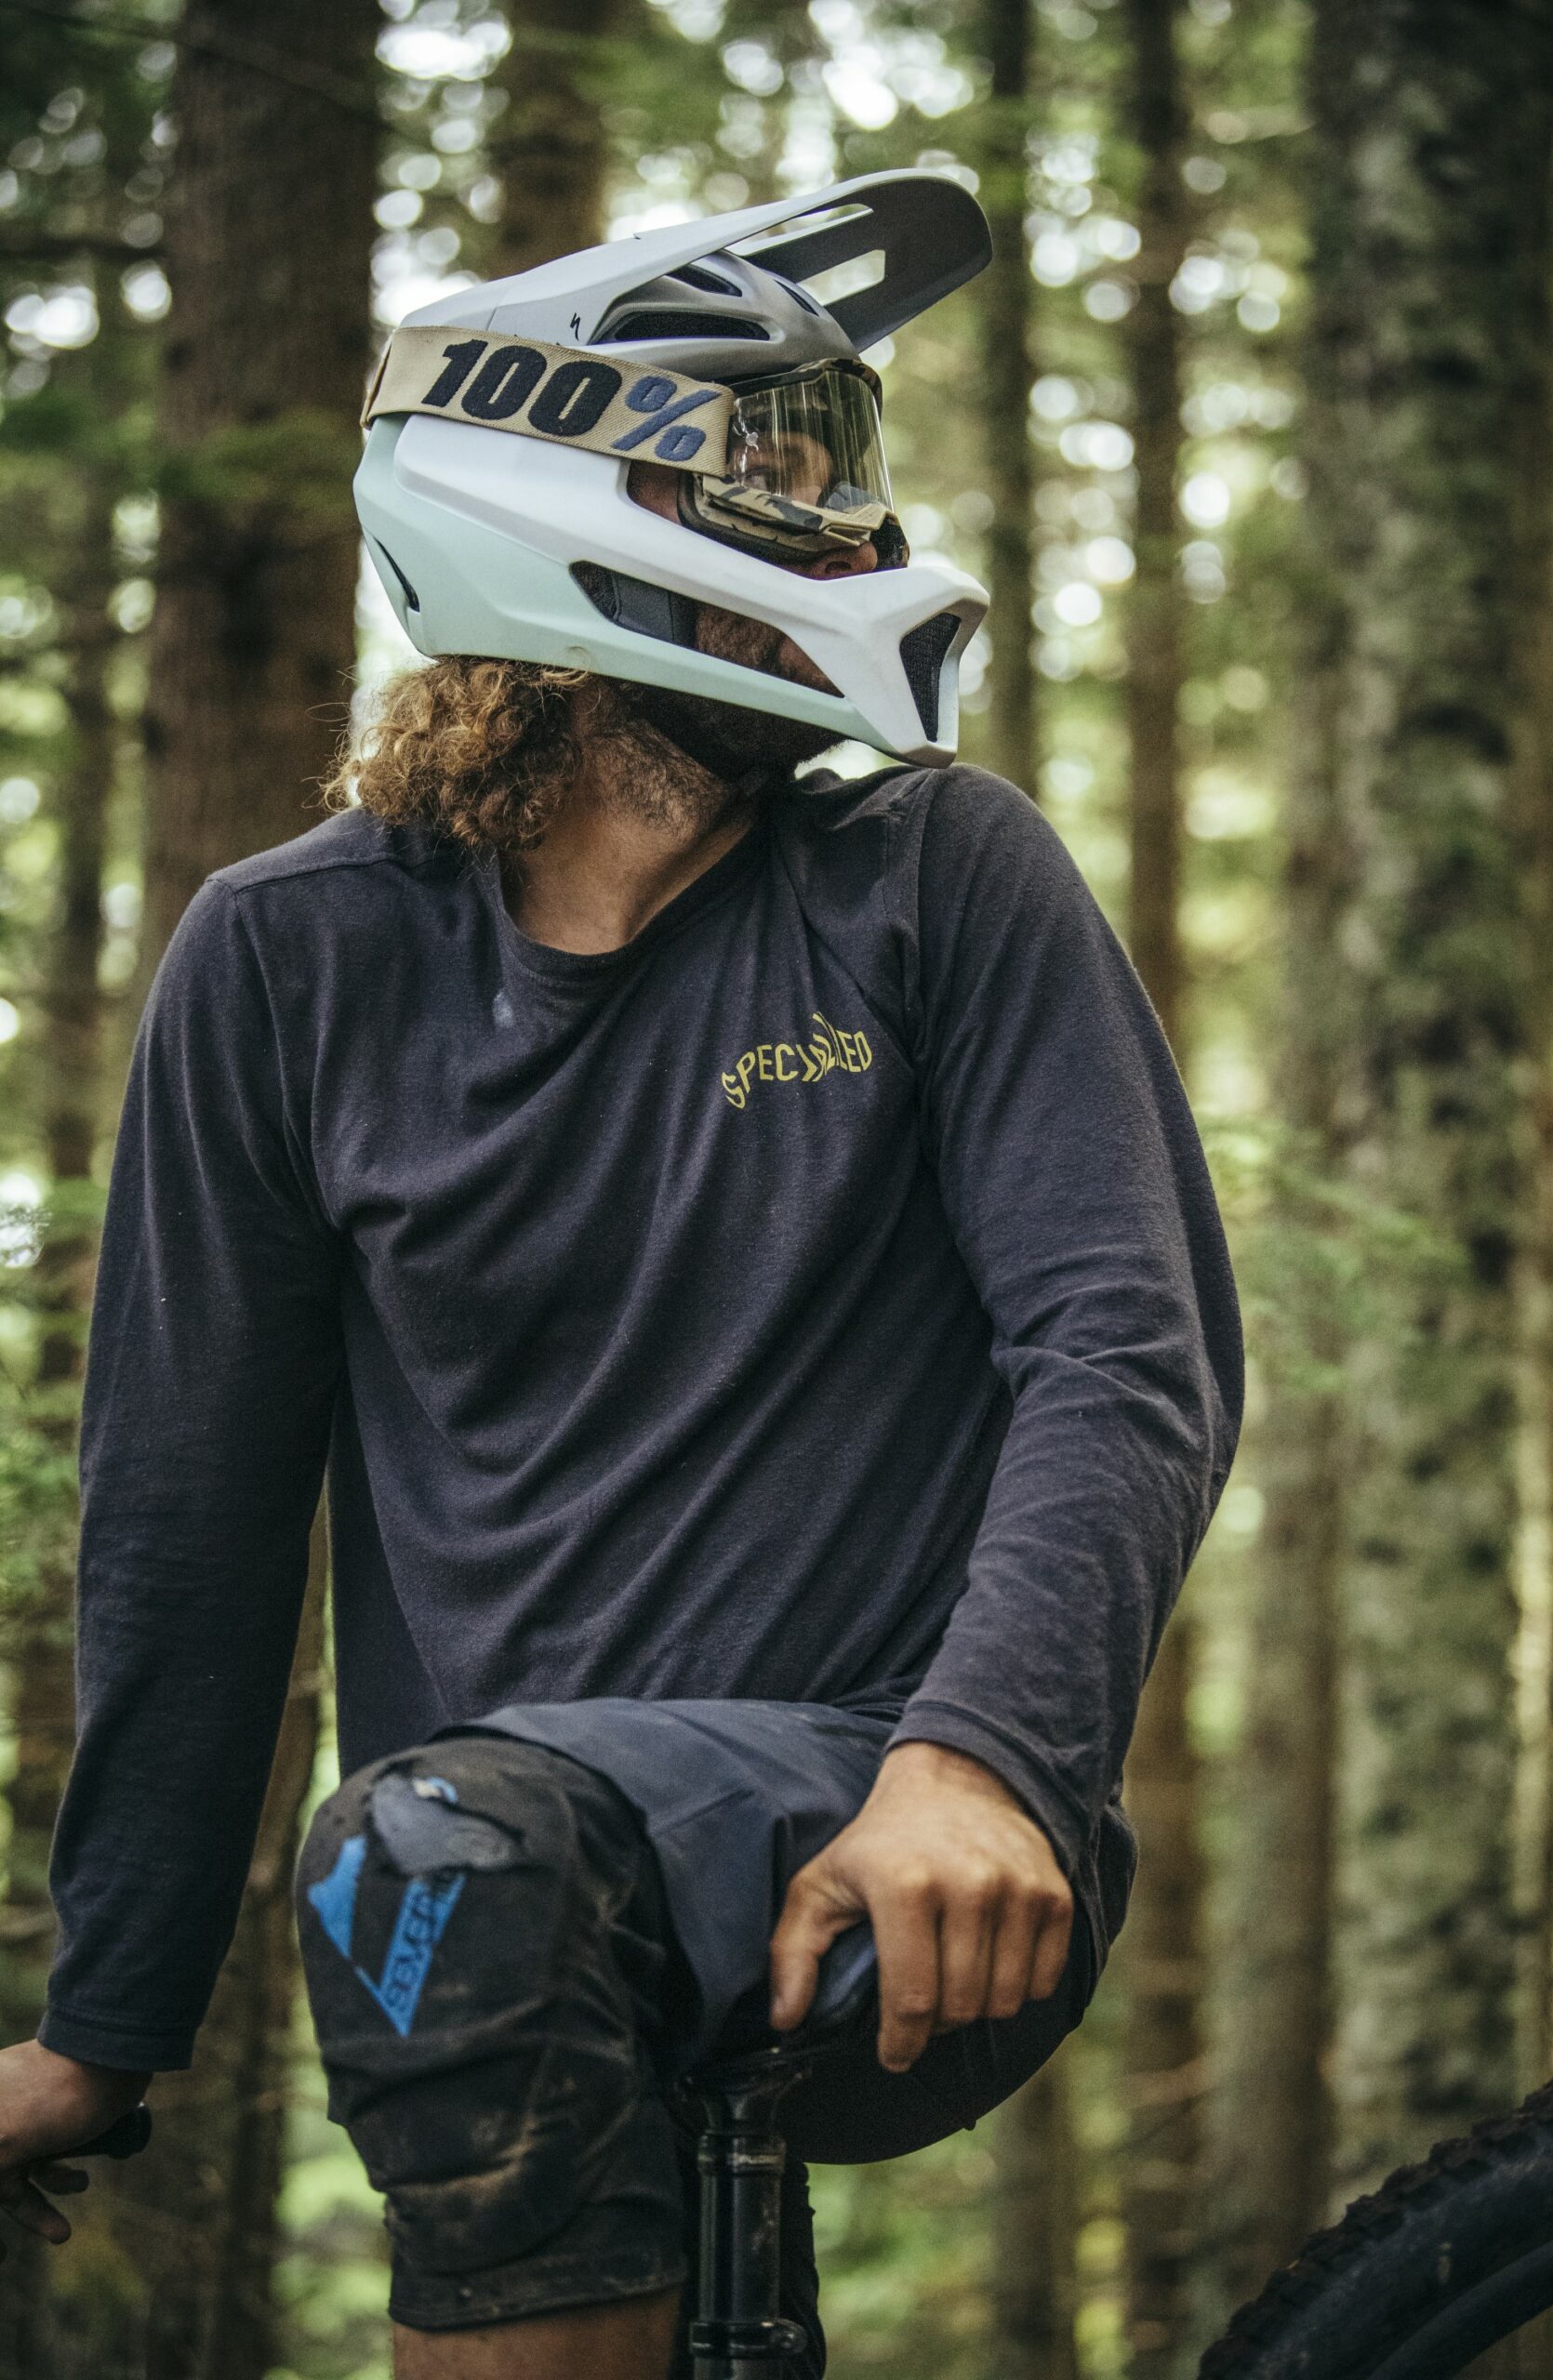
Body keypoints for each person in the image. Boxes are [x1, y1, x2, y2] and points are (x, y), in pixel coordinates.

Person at [0, 171, 1242, 2378]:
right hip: (483, 1877)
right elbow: (189, 1519)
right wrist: (103, 2021)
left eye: (841, 468)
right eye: (771, 471)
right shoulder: (289, 959)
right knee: (451, 1849)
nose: (844, 527)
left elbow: (1119, 1350)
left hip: (909, 1816)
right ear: (533, 493)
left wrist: (981, 1753)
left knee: (441, 1842)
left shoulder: (932, 879)